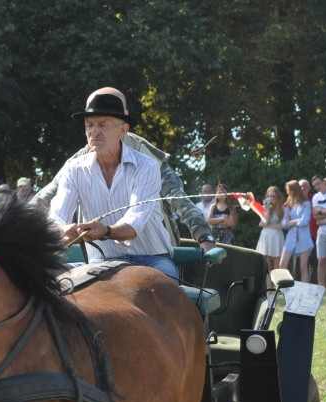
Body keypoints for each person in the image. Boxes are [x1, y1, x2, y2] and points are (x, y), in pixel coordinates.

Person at [33, 88, 215, 251]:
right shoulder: (77, 163)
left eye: (103, 122)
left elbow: (179, 199)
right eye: (90, 121)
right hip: (100, 255)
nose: (95, 129)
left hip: (151, 253)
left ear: (123, 123)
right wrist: (14, 229)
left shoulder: (149, 158)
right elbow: (46, 199)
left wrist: (204, 236)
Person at [46, 87, 179, 280]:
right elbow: (55, 219)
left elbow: (134, 224)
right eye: (89, 125)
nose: (94, 132)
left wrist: (105, 231)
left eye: (102, 124)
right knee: (47, 282)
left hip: (152, 260)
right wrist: (63, 230)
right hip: (101, 262)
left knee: (165, 291)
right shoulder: (73, 168)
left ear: (123, 130)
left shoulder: (147, 166)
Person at [279, 180, 313, 283]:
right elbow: (284, 223)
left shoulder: (306, 203)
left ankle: (304, 291)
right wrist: (295, 221)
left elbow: (304, 221)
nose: (288, 192)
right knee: (282, 264)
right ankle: (281, 288)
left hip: (304, 238)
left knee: (303, 267)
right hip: (291, 237)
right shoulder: (289, 204)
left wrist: (291, 222)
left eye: (289, 190)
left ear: (294, 190)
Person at [255, 186, 285, 285]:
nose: (271, 198)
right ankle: (268, 287)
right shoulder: (264, 208)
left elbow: (281, 226)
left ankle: (277, 285)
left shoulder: (282, 209)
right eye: (269, 196)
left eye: (273, 196)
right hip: (266, 237)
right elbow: (264, 222)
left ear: (277, 197)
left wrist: (269, 225)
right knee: (267, 264)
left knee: (277, 263)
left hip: (276, 237)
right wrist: (267, 209)